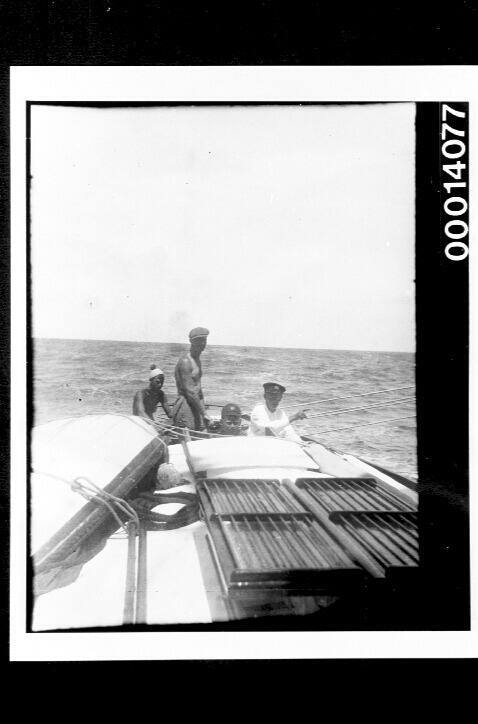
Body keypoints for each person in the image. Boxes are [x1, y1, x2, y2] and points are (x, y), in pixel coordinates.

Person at [172, 326, 211, 432]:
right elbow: (190, 392)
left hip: (196, 405)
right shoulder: (185, 362)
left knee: (201, 434)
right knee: (189, 438)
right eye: (199, 341)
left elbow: (199, 388)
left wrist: (203, 412)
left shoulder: (198, 360)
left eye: (204, 340)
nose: (202, 344)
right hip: (185, 406)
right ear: (191, 342)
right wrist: (204, 413)